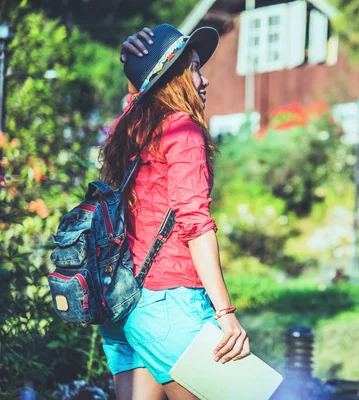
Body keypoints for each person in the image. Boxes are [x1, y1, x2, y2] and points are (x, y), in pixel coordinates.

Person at [99, 24, 250, 400]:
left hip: (122, 302)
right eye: (195, 68)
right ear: (173, 77)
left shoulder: (127, 129)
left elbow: (138, 95)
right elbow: (195, 225)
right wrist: (225, 313)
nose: (204, 79)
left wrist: (132, 66)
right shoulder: (182, 131)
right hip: (170, 305)